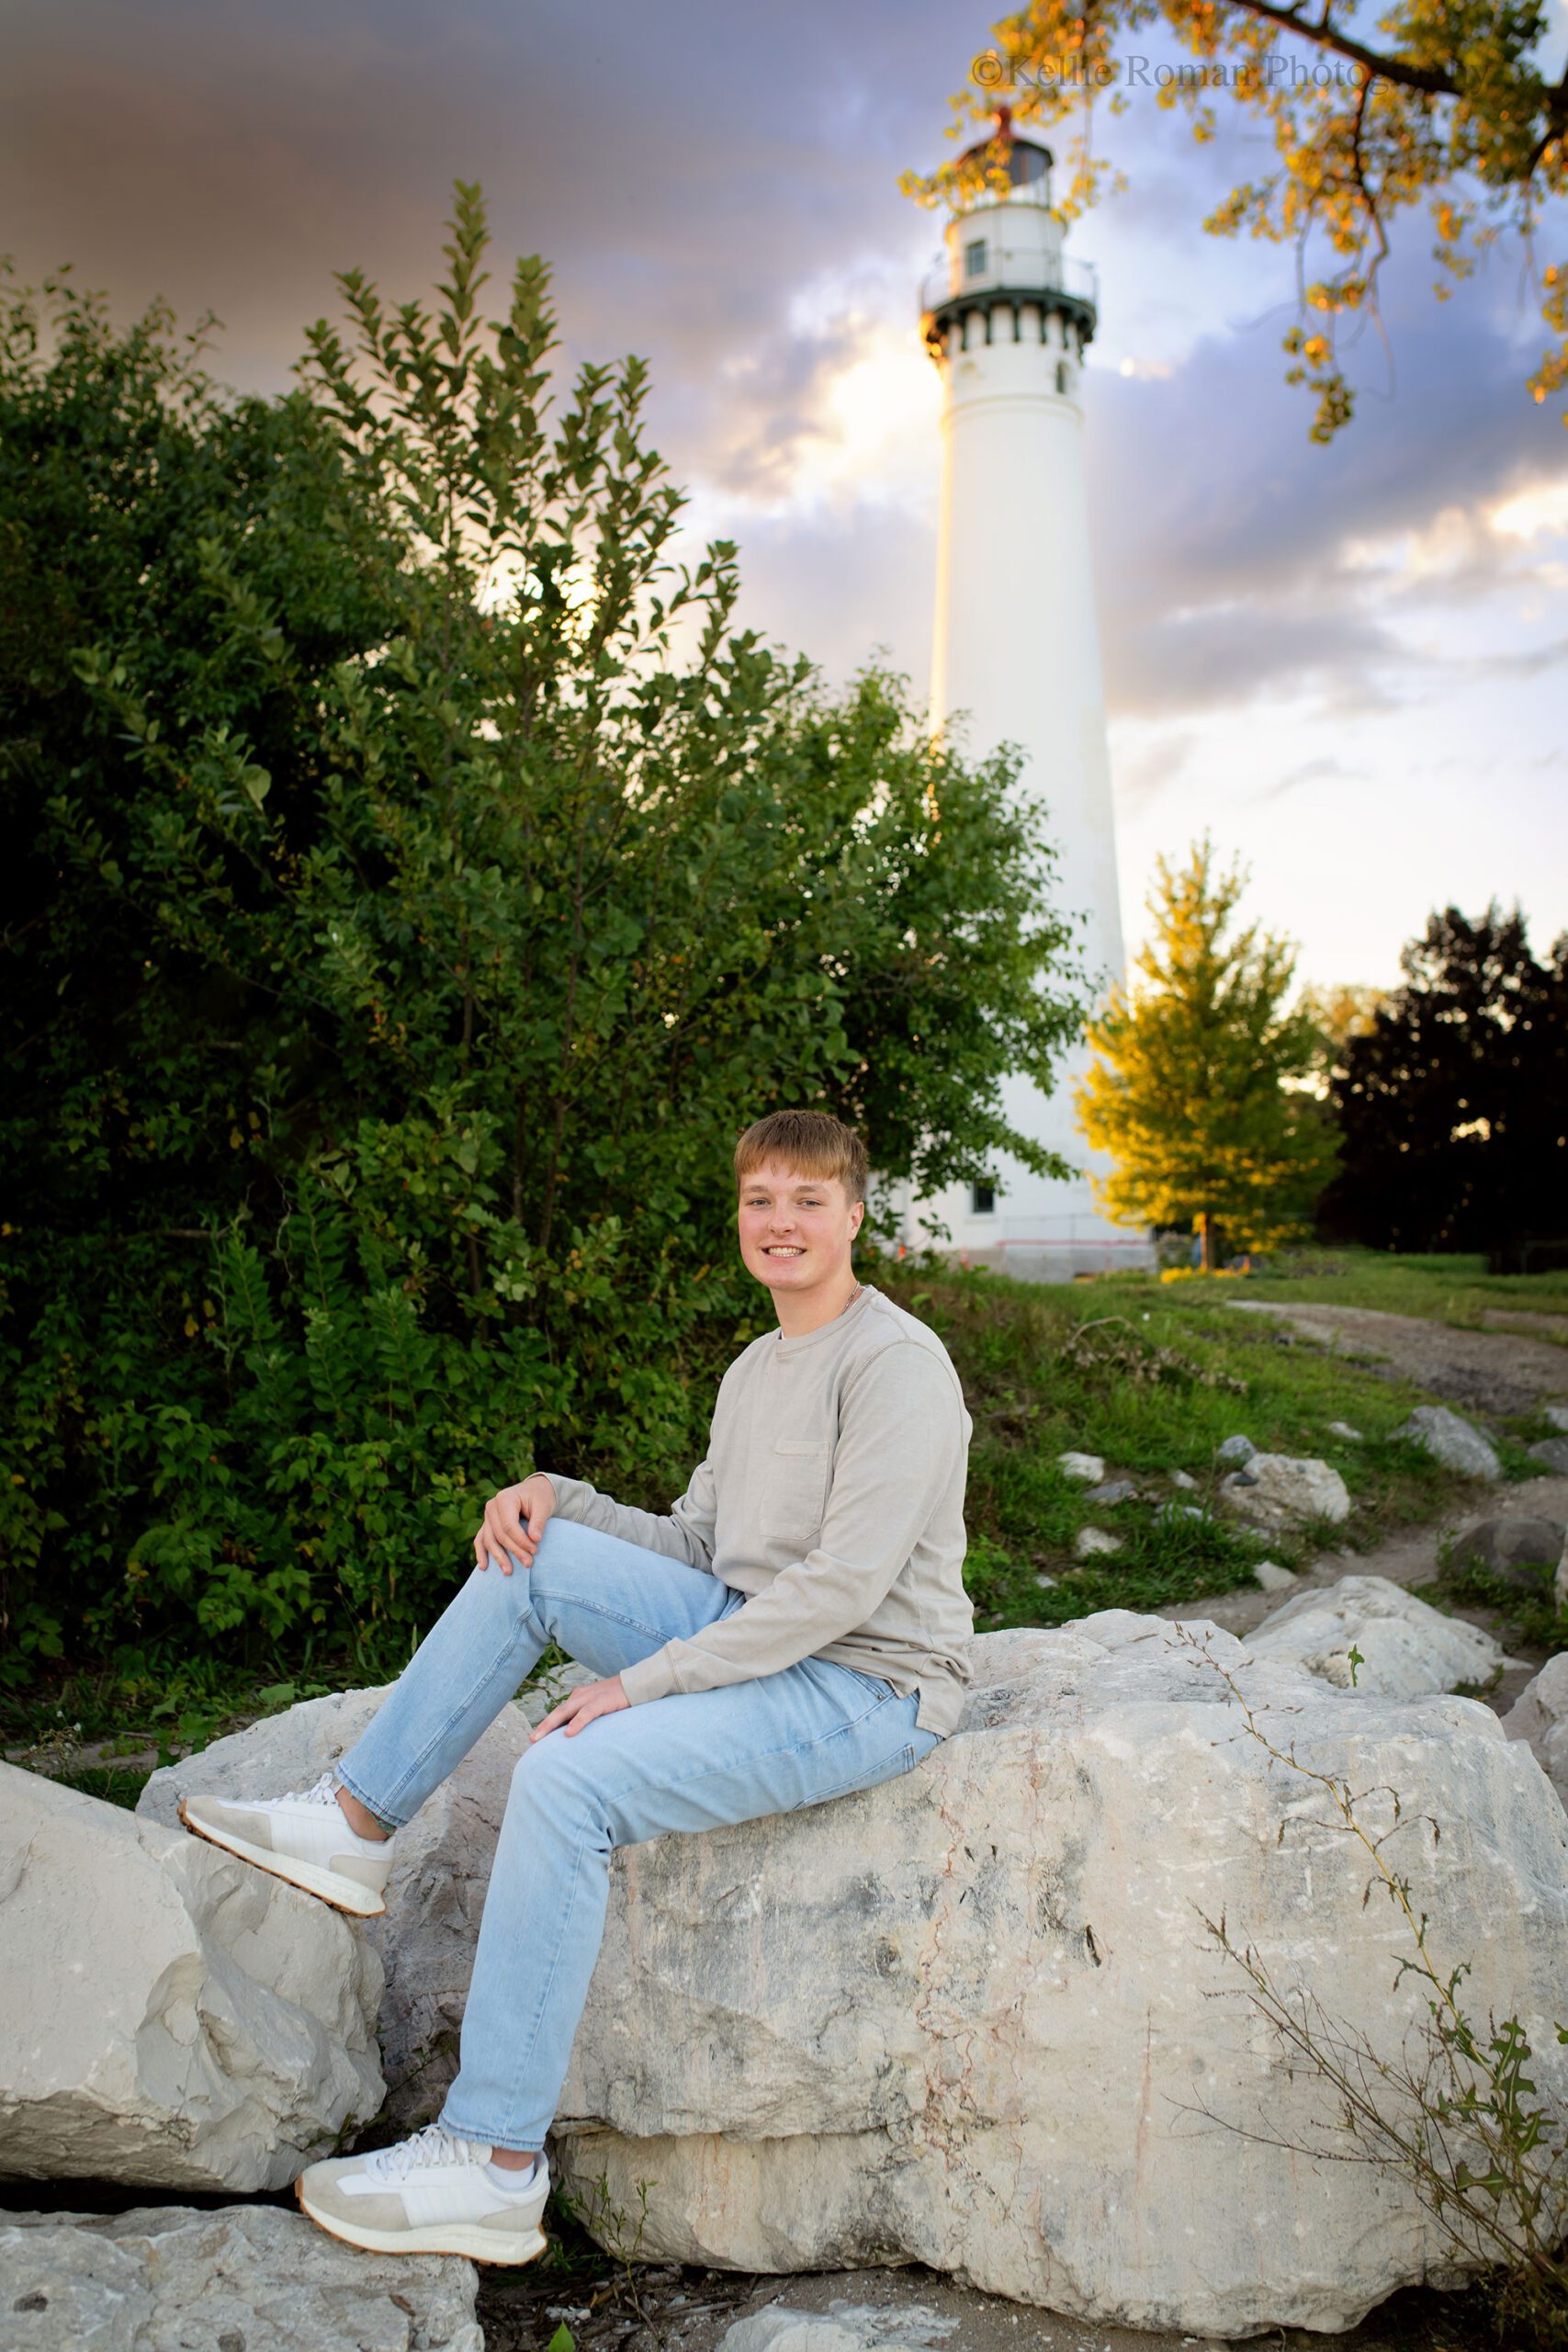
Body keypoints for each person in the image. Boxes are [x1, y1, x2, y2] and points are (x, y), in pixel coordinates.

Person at [179, 1109, 975, 2265]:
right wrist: (557, 1490)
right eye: (761, 1199)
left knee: (566, 1773)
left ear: (856, 1214)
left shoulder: (896, 1364)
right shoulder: (756, 1368)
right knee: (531, 1554)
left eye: (809, 1200)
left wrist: (647, 1683)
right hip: (758, 1631)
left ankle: (493, 2161)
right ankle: (353, 1823)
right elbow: (698, 1547)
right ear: (741, 1216)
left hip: (867, 1682)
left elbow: (847, 1588)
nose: (782, 1222)